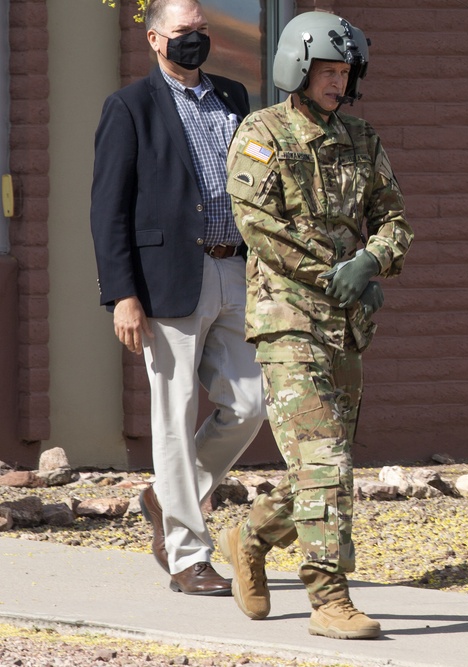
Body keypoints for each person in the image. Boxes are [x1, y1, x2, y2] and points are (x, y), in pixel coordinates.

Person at [219, 11, 413, 640]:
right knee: (326, 459)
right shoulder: (262, 134)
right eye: (328, 71)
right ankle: (329, 599)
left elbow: (395, 219)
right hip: (287, 320)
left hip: (345, 326)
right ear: (297, 71)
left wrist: (373, 260)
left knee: (322, 463)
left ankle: (249, 534)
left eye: (345, 72)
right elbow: (258, 226)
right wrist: (340, 271)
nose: (339, 82)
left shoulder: (363, 138)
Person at [90, 0, 265, 596]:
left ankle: (163, 496)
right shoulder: (129, 107)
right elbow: (107, 209)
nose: (197, 40)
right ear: (155, 39)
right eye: (185, 32)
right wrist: (121, 295)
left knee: (249, 404)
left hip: (233, 270)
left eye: (204, 31)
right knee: (172, 417)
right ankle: (189, 557)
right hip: (165, 282)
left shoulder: (234, 98)